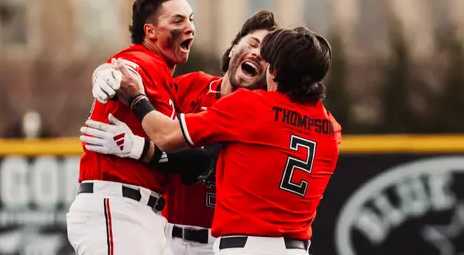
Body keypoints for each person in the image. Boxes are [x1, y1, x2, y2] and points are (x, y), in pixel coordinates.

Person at [83, 26, 341, 255]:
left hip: (245, 247)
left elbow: (166, 136)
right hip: (296, 247)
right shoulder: (331, 128)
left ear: (274, 71)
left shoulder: (251, 107)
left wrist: (137, 98)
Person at [66, 0, 197, 255]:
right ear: (150, 31)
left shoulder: (165, 77)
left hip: (142, 213)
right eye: (178, 20)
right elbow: (121, 68)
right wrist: (104, 75)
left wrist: (137, 145)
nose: (190, 27)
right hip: (118, 206)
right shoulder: (144, 60)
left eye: (191, 19)